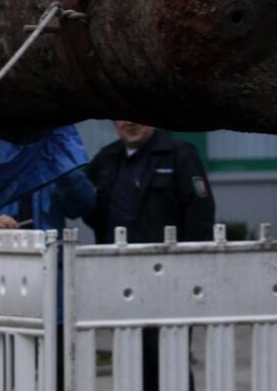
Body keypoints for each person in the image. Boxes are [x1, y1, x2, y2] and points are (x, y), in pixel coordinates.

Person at [85, 120, 215, 391]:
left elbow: (200, 216)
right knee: (131, 360)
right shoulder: (106, 159)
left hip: (169, 282)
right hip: (121, 282)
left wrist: (191, 273)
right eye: (120, 115)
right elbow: (93, 213)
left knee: (170, 362)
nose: (129, 122)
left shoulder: (179, 155)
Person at [0, 167, 94, 390]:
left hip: (52, 287)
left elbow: (84, 204)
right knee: (3, 371)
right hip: (0, 287)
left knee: (59, 371)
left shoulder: (51, 158)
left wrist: (66, 169)